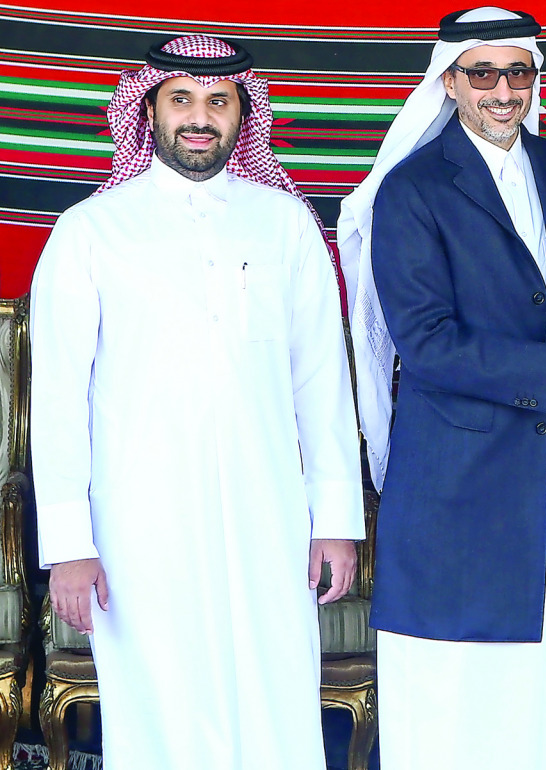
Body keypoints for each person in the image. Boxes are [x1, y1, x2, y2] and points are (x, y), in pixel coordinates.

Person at [30, 35, 364, 769]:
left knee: (274, 693)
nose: (200, 117)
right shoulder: (91, 231)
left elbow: (322, 381)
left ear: (244, 114)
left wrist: (335, 521)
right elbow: (56, 399)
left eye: (218, 101)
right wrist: (70, 547)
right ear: (148, 109)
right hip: (138, 524)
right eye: (181, 99)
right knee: (161, 707)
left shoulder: (285, 224)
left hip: (268, 512)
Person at [336, 7, 546, 768]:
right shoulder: (410, 189)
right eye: (483, 72)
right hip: (455, 473)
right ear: (449, 81)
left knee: (542, 664)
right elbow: (428, 343)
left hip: (545, 466)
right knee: (455, 673)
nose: (503, 89)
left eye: (519, 71)